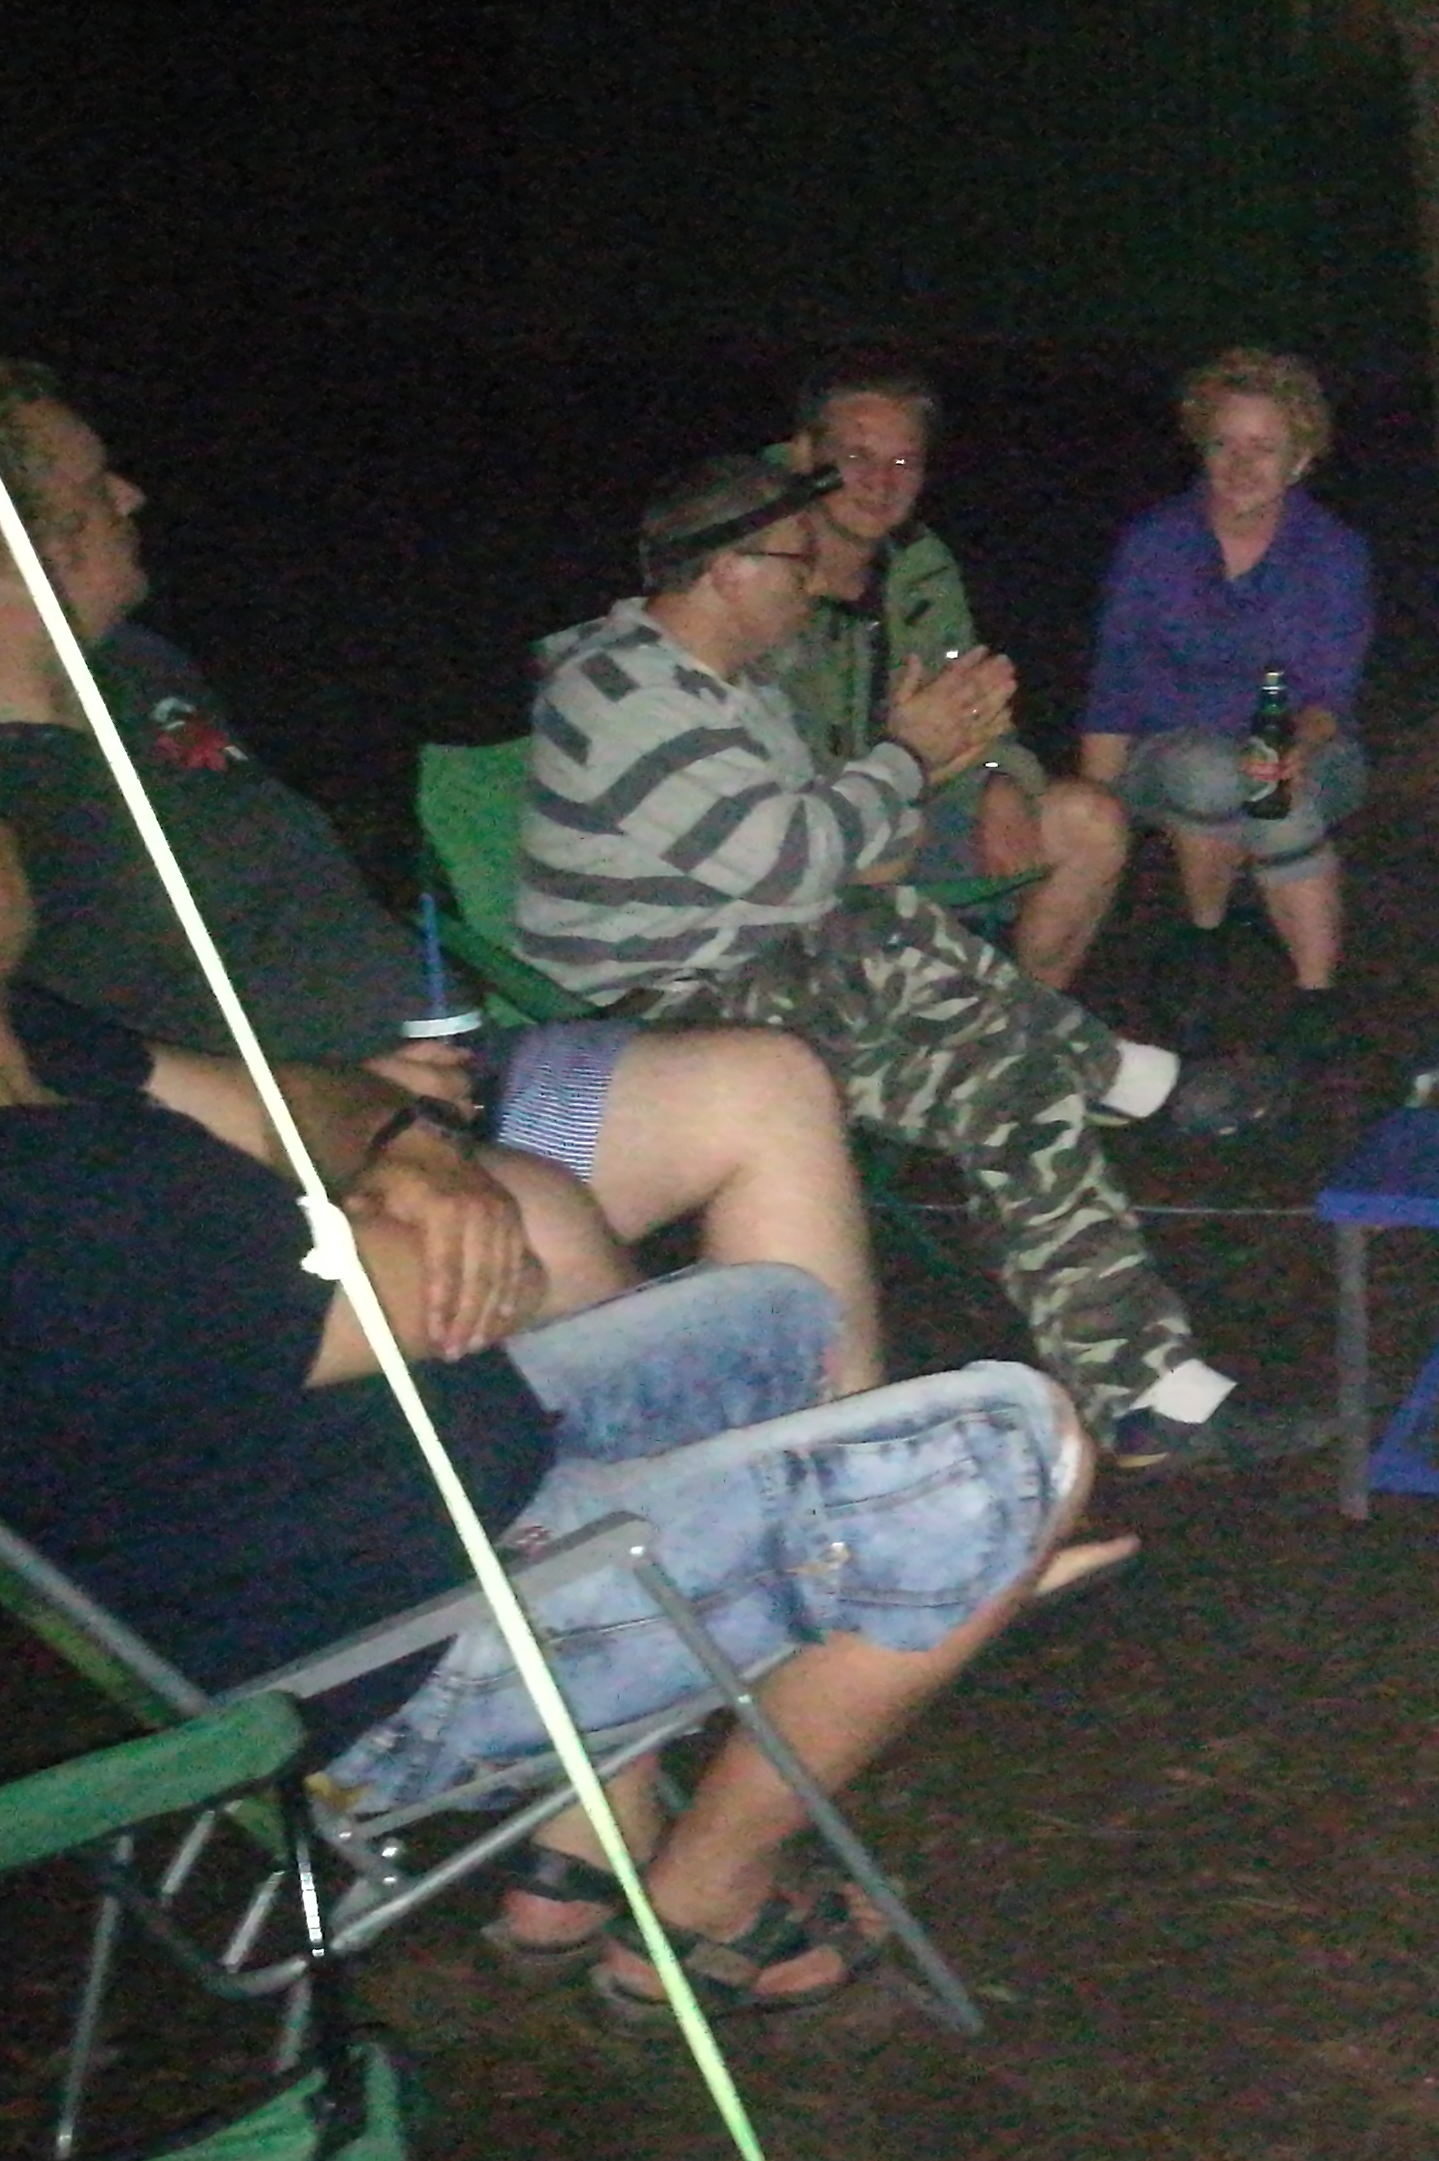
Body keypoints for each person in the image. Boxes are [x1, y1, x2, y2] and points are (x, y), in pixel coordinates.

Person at [0, 675, 1131, 2017]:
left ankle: (751, 1700)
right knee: (1020, 1447)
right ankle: (707, 1903)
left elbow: (290, 1105)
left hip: (428, 1469)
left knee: (786, 1317)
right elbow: (457, 1281)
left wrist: (401, 1145)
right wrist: (413, 1177)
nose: (15, 832)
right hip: (410, 1656)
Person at [0, 362, 878, 1378]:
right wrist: (346, 1111)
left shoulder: (137, 673)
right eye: (93, 483)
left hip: (457, 1086)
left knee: (769, 1086)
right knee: (539, 1229)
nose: (130, 495)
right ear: (5, 538)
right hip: (278, 1161)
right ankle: (677, 1500)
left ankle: (861, 1471)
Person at [519, 454, 1319, 1474]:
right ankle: (1123, 1074)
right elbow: (798, 866)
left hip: (774, 978)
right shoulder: (621, 689)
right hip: (655, 1019)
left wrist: (928, 767)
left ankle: (1152, 1398)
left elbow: (852, 854)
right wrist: (901, 759)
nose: (814, 582)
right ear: (725, 570)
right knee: (871, 927)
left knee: (1011, 1084)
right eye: (794, 562)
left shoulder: (738, 689)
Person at [771, 352, 1130, 995]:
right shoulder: (748, 562)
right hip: (794, 839)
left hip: (906, 804)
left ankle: (1028, 1021)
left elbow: (972, 699)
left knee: (1090, 823)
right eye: (856, 457)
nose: (880, 482)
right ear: (803, 454)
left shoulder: (918, 563)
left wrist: (996, 777)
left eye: (903, 462)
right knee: (880, 851)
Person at [1079, 349, 1375, 1059]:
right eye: (1225, 445)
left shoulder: (1333, 552)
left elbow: (1330, 694)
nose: (1241, 466)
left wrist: (1299, 744)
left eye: (1263, 448)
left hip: (1305, 745)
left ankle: (1316, 997)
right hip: (1172, 757)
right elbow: (1114, 686)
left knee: (1274, 791)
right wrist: (1094, 820)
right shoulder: (1154, 545)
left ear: (1299, 461)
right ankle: (1204, 938)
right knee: (1210, 770)